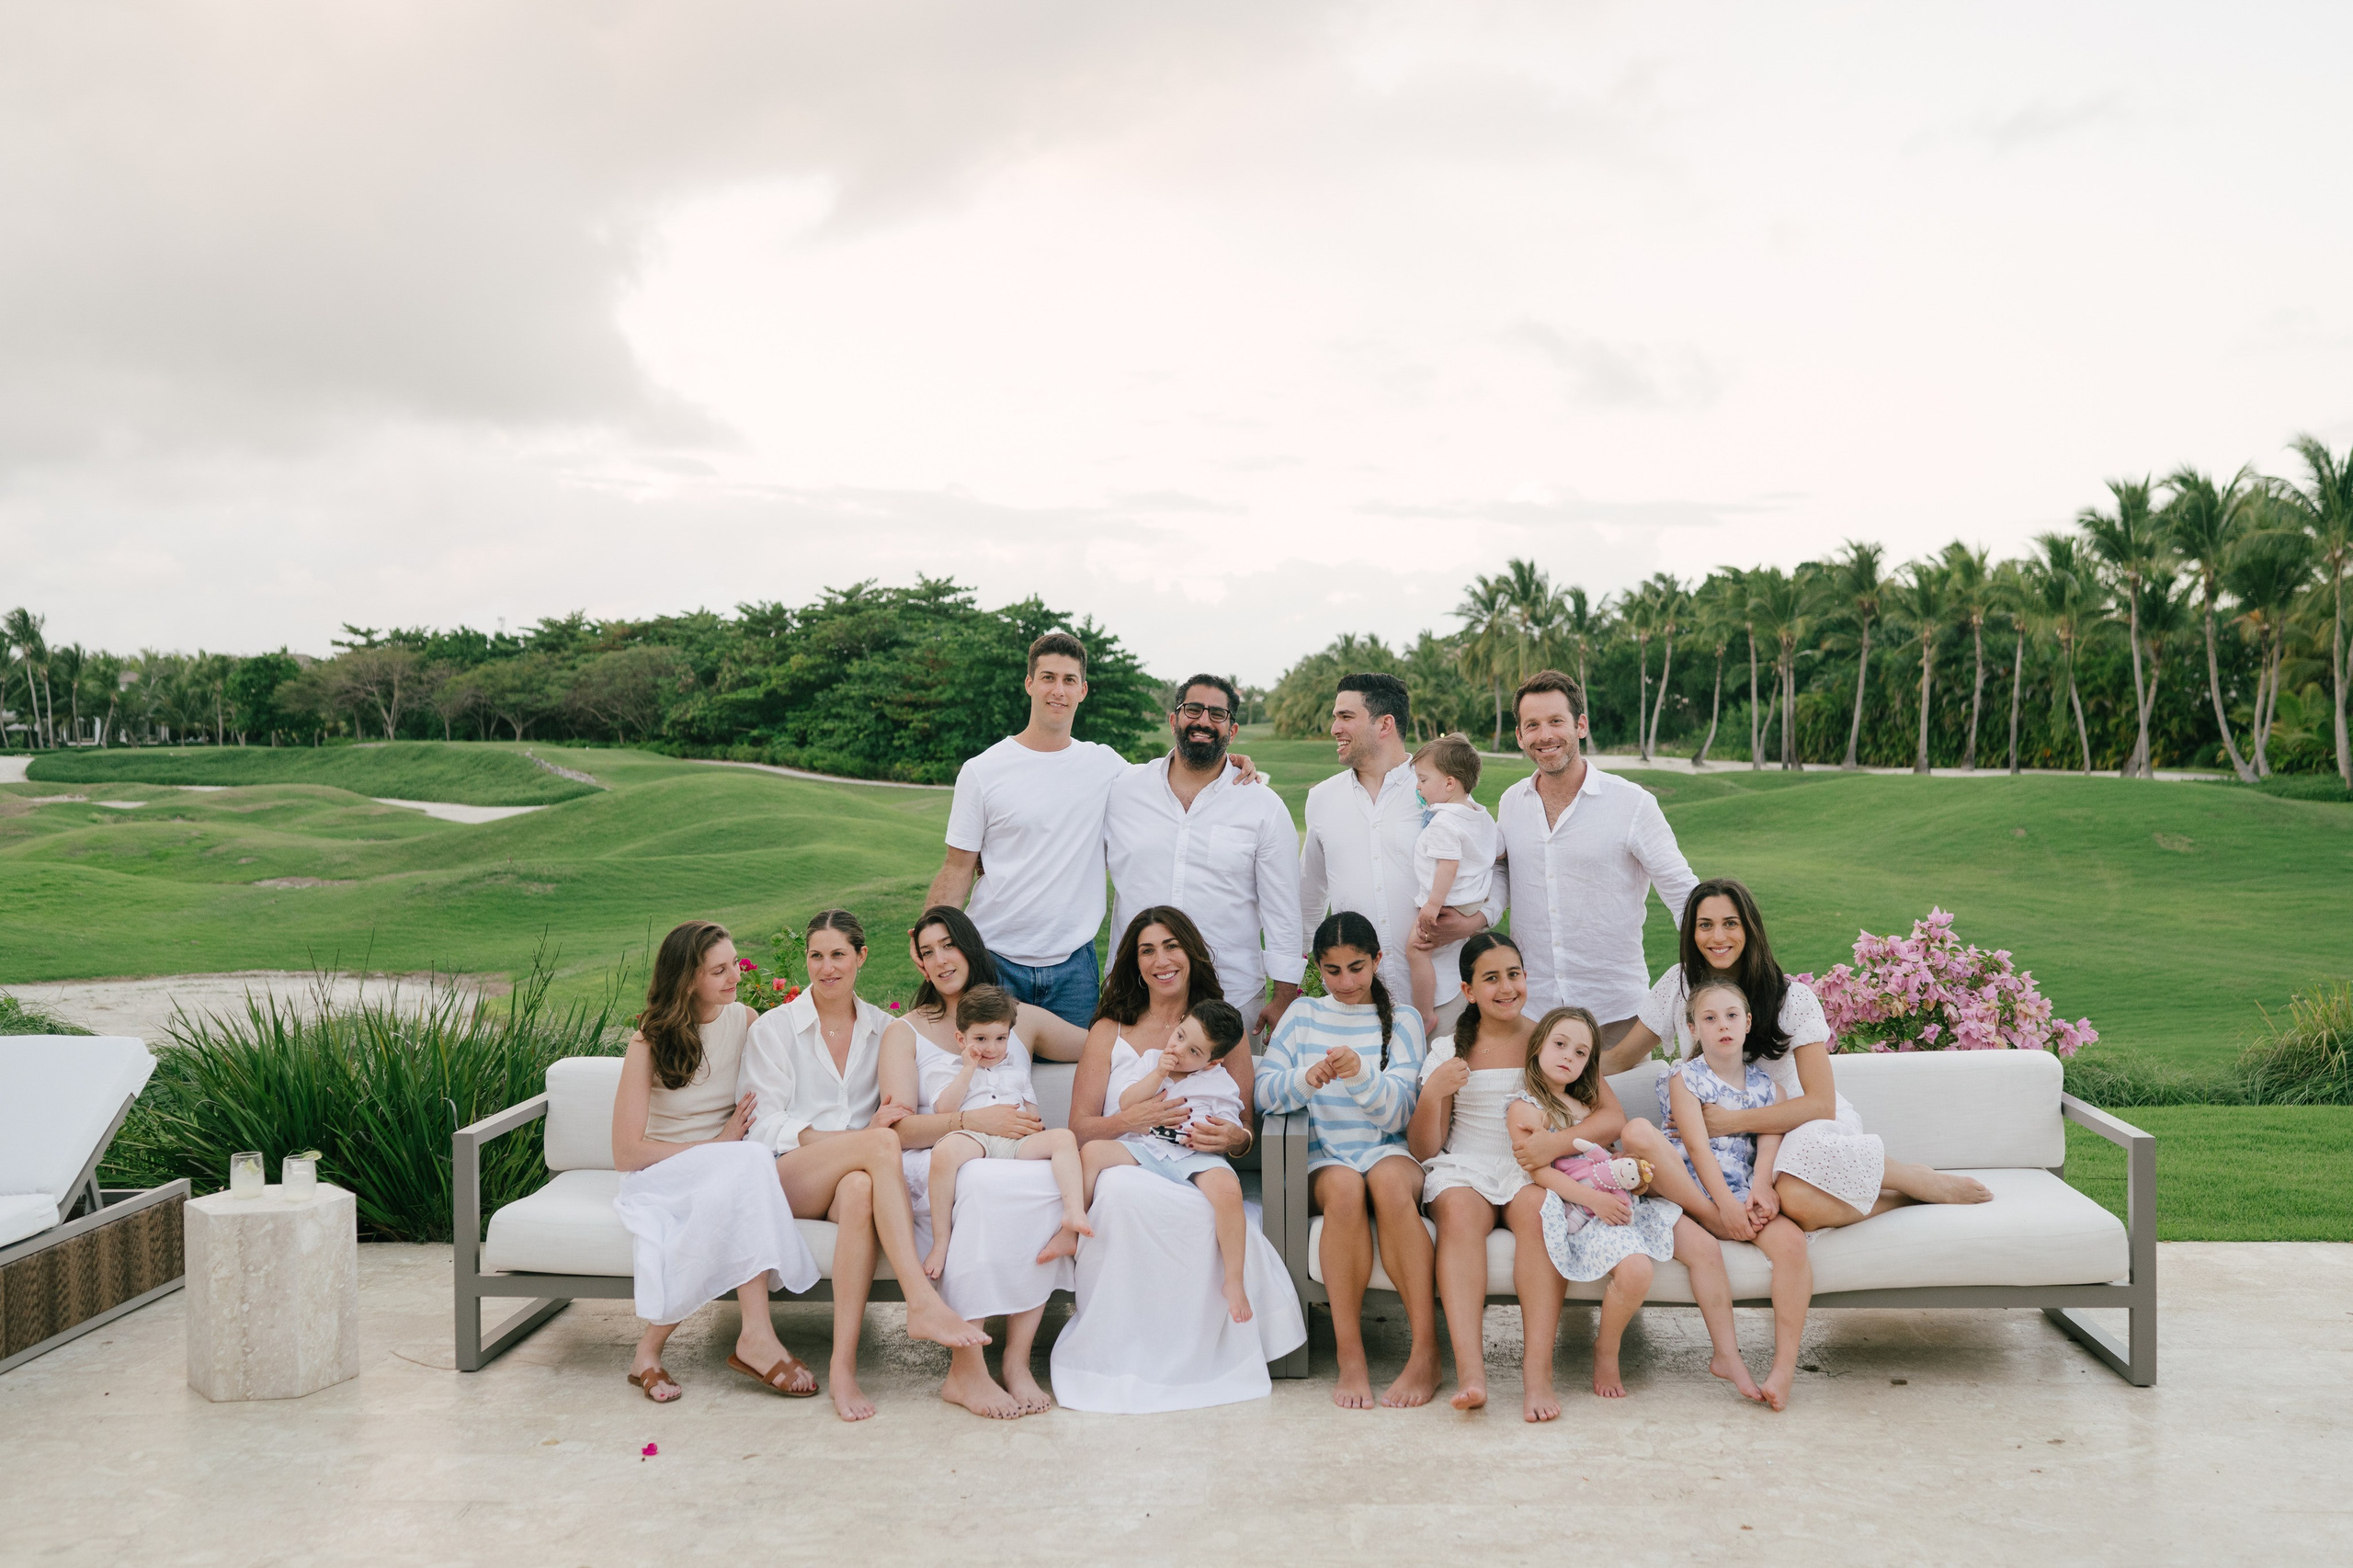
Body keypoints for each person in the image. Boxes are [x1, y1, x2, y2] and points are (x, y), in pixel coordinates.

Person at [1607, 876, 1995, 1227]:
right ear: (1691, 932)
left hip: (1795, 1122)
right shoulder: (1677, 984)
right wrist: (1550, 1073)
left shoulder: (1792, 999)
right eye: (1704, 925)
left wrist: (1731, 1121)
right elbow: (1621, 1057)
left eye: (1730, 923)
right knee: (1802, 1210)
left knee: (1796, 1198)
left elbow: (1820, 1105)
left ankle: (1918, 1179)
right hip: (1730, 1144)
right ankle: (1906, 1198)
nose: (1716, 936)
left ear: (1749, 929)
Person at [927, 632, 1259, 1028]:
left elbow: (1175, 771)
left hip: (1075, 970)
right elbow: (958, 866)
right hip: (995, 959)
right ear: (1029, 683)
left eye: (1069, 680)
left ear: (1082, 690)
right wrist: (931, 939)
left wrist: (1226, 759)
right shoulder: (982, 770)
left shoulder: (1106, 766)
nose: (1058, 690)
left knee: (1078, 1081)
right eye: (1048, 677)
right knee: (990, 1078)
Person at [1048, 906, 1305, 1413]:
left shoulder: (1217, 1030)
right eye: (1147, 950)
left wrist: (1231, 1137)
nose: (1161, 960)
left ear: (1190, 954)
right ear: (1133, 962)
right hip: (1133, 1162)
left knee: (1204, 1204)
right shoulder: (1109, 1031)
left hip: (1193, 1169)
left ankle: (1203, 1345)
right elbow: (1080, 1128)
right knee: (1120, 1192)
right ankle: (1122, 1347)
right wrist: (1133, 1118)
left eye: (1171, 946)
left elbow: (1245, 1127)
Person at [740, 909, 988, 1422]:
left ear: (861, 957)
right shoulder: (775, 1028)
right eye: (815, 956)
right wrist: (856, 1138)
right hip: (786, 1174)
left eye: (837, 955)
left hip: (847, 1179)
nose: (825, 968)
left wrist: (865, 1140)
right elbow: (764, 1124)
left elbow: (896, 1113)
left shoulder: (883, 1029)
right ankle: (919, 1299)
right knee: (877, 1146)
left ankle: (842, 1369)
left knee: (859, 1189)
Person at [880, 906, 1093, 1419]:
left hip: (1012, 1151)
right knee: (979, 1183)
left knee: (1044, 1180)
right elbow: (899, 1131)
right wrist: (977, 1123)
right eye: (927, 951)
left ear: (970, 946)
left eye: (948, 945)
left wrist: (1175, 1035)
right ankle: (966, 1369)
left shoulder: (1021, 1019)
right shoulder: (904, 1032)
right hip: (946, 1159)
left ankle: (1016, 1362)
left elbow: (1101, 1050)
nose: (940, 959)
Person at [1411, 933, 1626, 1423]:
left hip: (1532, 1168)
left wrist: (1553, 1144)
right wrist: (1432, 1095)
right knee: (1460, 1214)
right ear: (1467, 991)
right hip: (1466, 1164)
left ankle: (1538, 1375)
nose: (1506, 987)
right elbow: (1424, 1148)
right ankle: (1471, 1373)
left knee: (1538, 1213)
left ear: (1526, 978)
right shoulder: (1449, 1050)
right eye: (1491, 979)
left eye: (1514, 974)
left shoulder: (1549, 1041)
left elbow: (1610, 1115)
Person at [609, 920, 821, 1404]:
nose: (734, 977)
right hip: (661, 1174)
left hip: (728, 1168)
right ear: (688, 980)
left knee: (744, 1173)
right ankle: (756, 1339)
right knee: (746, 1165)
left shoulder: (743, 1020)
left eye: (733, 965)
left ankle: (650, 1353)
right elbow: (626, 1151)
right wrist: (717, 1147)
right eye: (718, 970)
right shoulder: (649, 1041)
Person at [1255, 911, 1438, 1410]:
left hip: (1389, 1151)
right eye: (1333, 971)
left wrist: (1360, 1075)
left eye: (1357, 967)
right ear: (1318, 968)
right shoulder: (1302, 1015)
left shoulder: (1403, 1021)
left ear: (1378, 961)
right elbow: (1264, 1093)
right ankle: (1350, 1356)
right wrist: (1304, 1080)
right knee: (1344, 1189)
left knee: (1389, 1185)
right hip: (1324, 1156)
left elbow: (1401, 1109)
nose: (1347, 982)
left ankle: (1425, 1351)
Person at [1493, 669, 1699, 1045]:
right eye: (1532, 725)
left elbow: (1685, 896)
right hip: (1532, 1013)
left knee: (1620, 1106)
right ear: (1520, 736)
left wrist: (1719, 975)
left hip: (1615, 1013)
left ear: (1580, 725)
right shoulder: (1510, 804)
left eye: (1557, 721)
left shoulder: (1632, 803)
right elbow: (1502, 876)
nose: (1546, 735)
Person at [1644, 976, 1812, 1410]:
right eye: (1709, 1017)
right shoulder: (1685, 1078)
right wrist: (1725, 1209)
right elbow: (1697, 1147)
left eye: (1732, 1015)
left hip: (1741, 1191)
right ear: (1694, 1029)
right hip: (1692, 1191)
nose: (1723, 1024)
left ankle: (1783, 1367)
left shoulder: (1768, 1089)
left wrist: (1760, 1191)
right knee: (1640, 1137)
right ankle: (1727, 1354)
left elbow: (1769, 1141)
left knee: (1792, 1243)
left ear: (1748, 1022)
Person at [1300, 673, 1495, 1042]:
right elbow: (1310, 895)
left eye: (1345, 717)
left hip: (1445, 999)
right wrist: (1292, 979)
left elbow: (1493, 863)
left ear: (1384, 723)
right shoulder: (1322, 799)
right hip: (1357, 1004)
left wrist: (1478, 920)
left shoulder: (1437, 786)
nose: (1333, 728)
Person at [1103, 673, 1301, 1038]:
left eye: (1217, 714)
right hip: (1135, 992)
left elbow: (1284, 908)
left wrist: (1285, 993)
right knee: (1131, 1095)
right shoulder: (1123, 789)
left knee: (1229, 1096)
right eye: (1193, 709)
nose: (1203, 721)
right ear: (1174, 718)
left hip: (1230, 997)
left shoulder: (1262, 806)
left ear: (1233, 729)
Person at [1511, 1006, 1679, 1400]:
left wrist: (1628, 1171)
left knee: (1657, 1261)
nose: (1569, 1055)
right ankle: (1607, 1353)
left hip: (1613, 1206)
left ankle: (1607, 1344)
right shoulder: (1526, 1107)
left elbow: (1605, 1156)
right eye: (1560, 1044)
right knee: (1637, 1271)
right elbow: (1539, 1171)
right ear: (1537, 1047)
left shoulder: (1588, 1105)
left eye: (1581, 1052)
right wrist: (1593, 1200)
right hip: (1579, 1213)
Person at [1080, 997, 1254, 1324]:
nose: (1180, 1050)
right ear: (1179, 1023)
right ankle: (1074, 1221)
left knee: (1229, 1191)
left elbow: (1228, 1126)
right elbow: (1126, 1102)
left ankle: (1233, 1280)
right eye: (1181, 1036)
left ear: (1213, 1062)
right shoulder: (1151, 1062)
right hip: (1147, 1147)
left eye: (1194, 1052)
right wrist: (1158, 1073)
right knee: (1091, 1153)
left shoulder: (1219, 1083)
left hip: (1192, 1154)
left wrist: (1222, 1136)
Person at [919, 985, 1089, 1286]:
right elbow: (944, 1109)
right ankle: (941, 1241)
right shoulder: (949, 1069)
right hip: (975, 1137)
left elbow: (1031, 1112)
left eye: (1001, 1039)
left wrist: (1036, 1126)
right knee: (944, 1153)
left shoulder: (1017, 1072)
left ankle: (1073, 1216)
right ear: (962, 1039)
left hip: (1015, 1140)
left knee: (1064, 1139)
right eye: (981, 1039)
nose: (992, 1048)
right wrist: (968, 1069)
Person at [1405, 733, 1498, 1036]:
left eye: (1422, 779)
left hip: (1449, 901)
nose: (1418, 787)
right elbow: (1496, 851)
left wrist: (1432, 904)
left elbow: (1448, 865)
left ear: (1449, 783)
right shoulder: (1478, 815)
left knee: (1417, 949)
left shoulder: (1443, 822)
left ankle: (1424, 1013)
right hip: (1473, 899)